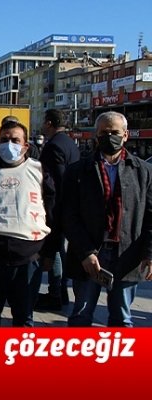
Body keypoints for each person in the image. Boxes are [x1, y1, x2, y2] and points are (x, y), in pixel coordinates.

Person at [63, 111, 152, 327]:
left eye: (114, 132)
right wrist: (86, 252)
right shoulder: (78, 171)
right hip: (90, 254)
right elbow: (68, 215)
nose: (109, 137)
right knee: (81, 315)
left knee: (122, 318)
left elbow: (150, 216)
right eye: (104, 132)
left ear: (125, 135)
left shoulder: (143, 171)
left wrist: (149, 254)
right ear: (96, 135)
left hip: (128, 253)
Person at [0, 120, 55, 326]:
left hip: (28, 255)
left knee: (24, 317)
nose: (9, 144)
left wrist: (50, 251)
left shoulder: (39, 170)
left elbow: (52, 211)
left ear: (25, 146)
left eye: (15, 140)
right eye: (4, 140)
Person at [34, 109, 80, 311]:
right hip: (68, 203)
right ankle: (60, 291)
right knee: (59, 247)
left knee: (54, 249)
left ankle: (56, 294)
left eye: (44, 122)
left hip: (56, 204)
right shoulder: (70, 143)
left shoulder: (53, 146)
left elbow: (55, 180)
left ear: (49, 123)